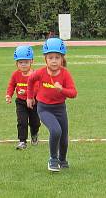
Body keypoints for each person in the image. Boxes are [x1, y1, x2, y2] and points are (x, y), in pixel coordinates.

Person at [26, 38, 77, 172]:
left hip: (60, 109)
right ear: (45, 59)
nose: (54, 61)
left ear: (62, 59)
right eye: (50, 57)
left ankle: (62, 160)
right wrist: (30, 97)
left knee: (64, 139)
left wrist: (62, 90)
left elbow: (73, 93)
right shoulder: (41, 72)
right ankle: (53, 159)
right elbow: (30, 80)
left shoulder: (65, 74)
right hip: (44, 108)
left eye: (57, 57)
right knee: (56, 131)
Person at [5, 45, 40, 150]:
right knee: (22, 121)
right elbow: (11, 85)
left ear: (31, 61)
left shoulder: (35, 74)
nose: (23, 64)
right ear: (16, 63)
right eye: (20, 62)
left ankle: (34, 134)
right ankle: (22, 141)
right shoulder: (16, 74)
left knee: (35, 123)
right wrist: (9, 95)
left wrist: (27, 92)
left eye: (26, 62)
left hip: (34, 102)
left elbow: (38, 88)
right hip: (21, 102)